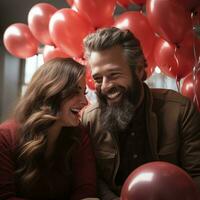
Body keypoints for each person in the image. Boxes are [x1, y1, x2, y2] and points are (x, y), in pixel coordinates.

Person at [82, 27, 200, 199]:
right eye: (98, 78)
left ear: (138, 70)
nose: (106, 86)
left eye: (114, 74)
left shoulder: (180, 110)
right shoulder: (89, 119)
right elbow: (94, 179)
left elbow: (196, 175)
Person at [0, 58, 99, 200]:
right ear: (51, 91)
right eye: (75, 92)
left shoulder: (79, 134)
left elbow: (86, 191)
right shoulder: (5, 136)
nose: (84, 102)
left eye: (83, 93)